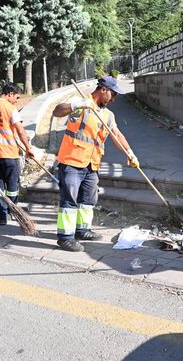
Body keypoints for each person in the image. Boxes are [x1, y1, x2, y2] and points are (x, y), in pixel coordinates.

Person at [52, 76, 139, 252]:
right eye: (113, 94)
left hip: (92, 164)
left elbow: (117, 135)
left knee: (88, 200)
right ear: (103, 89)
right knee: (69, 201)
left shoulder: (108, 114)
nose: (114, 99)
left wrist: (130, 153)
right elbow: (57, 111)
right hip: (72, 161)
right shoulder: (81, 103)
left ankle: (82, 230)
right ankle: (65, 238)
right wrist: (77, 105)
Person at [0, 83, 34, 225]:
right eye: (16, 97)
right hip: (9, 153)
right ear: (10, 94)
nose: (16, 100)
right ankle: (13, 211)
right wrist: (28, 148)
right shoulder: (11, 108)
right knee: (12, 186)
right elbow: (20, 130)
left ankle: (2, 216)